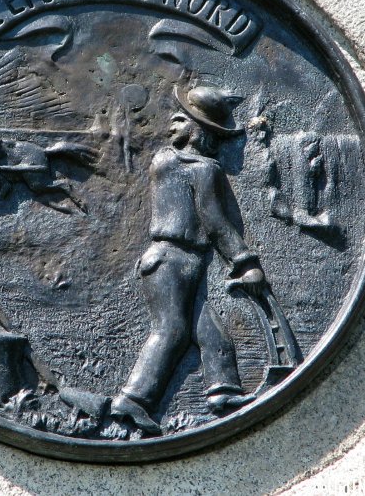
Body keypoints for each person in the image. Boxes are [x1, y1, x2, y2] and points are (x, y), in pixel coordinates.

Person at [111, 84, 265, 434]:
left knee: (213, 335)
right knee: (172, 331)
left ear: (198, 129)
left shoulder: (177, 162)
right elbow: (214, 222)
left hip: (182, 263)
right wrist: (245, 262)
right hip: (172, 260)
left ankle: (223, 393)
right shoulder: (196, 167)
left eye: (180, 119)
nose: (170, 124)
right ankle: (132, 401)